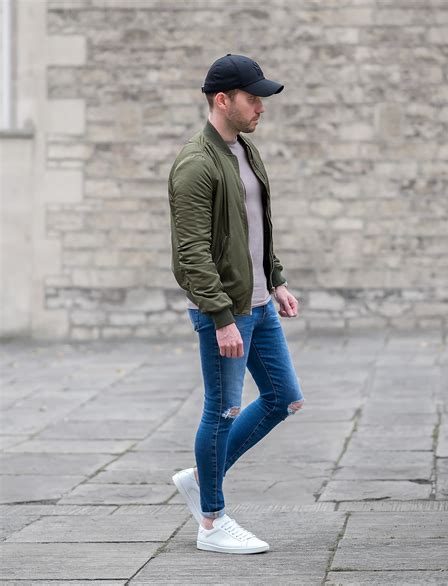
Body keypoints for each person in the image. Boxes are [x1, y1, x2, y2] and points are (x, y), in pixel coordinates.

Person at [168, 54, 305, 555]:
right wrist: (221, 318)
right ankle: (211, 522)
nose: (261, 107)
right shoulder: (195, 163)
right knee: (222, 410)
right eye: (253, 98)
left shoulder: (245, 151)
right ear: (223, 100)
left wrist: (276, 280)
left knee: (283, 398)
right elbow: (191, 252)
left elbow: (253, 229)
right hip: (225, 311)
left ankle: (201, 477)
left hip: (260, 304)